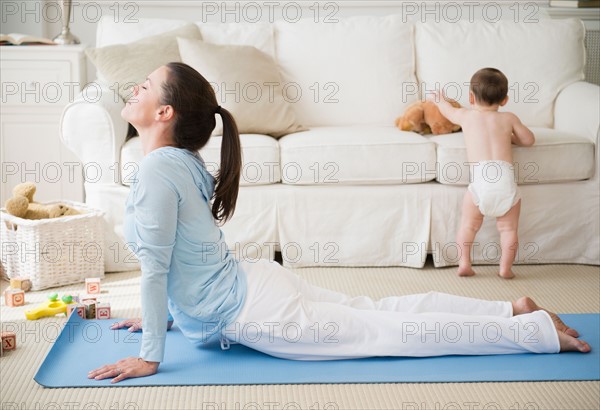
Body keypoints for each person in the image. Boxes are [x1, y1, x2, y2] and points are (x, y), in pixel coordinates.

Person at [88, 63, 590, 384]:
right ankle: (511, 311)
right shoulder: (178, 162)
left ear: (165, 111)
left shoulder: (159, 167)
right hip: (255, 286)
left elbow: (158, 268)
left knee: (390, 334)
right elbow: (187, 251)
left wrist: (149, 354)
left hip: (258, 311)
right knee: (383, 311)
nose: (135, 88)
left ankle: (533, 332)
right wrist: (174, 314)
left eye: (145, 85)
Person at [432, 68, 535, 279]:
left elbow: (447, 112)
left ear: (471, 97)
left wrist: (439, 100)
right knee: (508, 230)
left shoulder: (466, 116)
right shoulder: (509, 118)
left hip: (480, 183)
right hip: (505, 183)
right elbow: (529, 140)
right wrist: (512, 137)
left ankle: (464, 263)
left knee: (468, 225)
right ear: (504, 100)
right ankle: (505, 268)